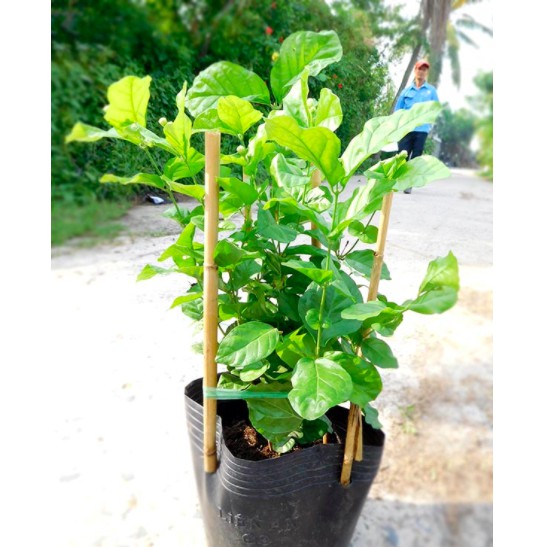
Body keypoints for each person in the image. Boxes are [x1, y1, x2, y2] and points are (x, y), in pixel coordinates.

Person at [394, 59, 439, 194]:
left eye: (424, 70)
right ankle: (399, 180)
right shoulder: (406, 91)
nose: (421, 71)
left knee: (416, 157)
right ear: (415, 71)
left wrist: (429, 123)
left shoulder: (431, 91)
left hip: (422, 129)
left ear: (426, 73)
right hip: (406, 129)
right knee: (402, 155)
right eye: (419, 69)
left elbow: (435, 108)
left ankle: (409, 183)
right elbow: (398, 110)